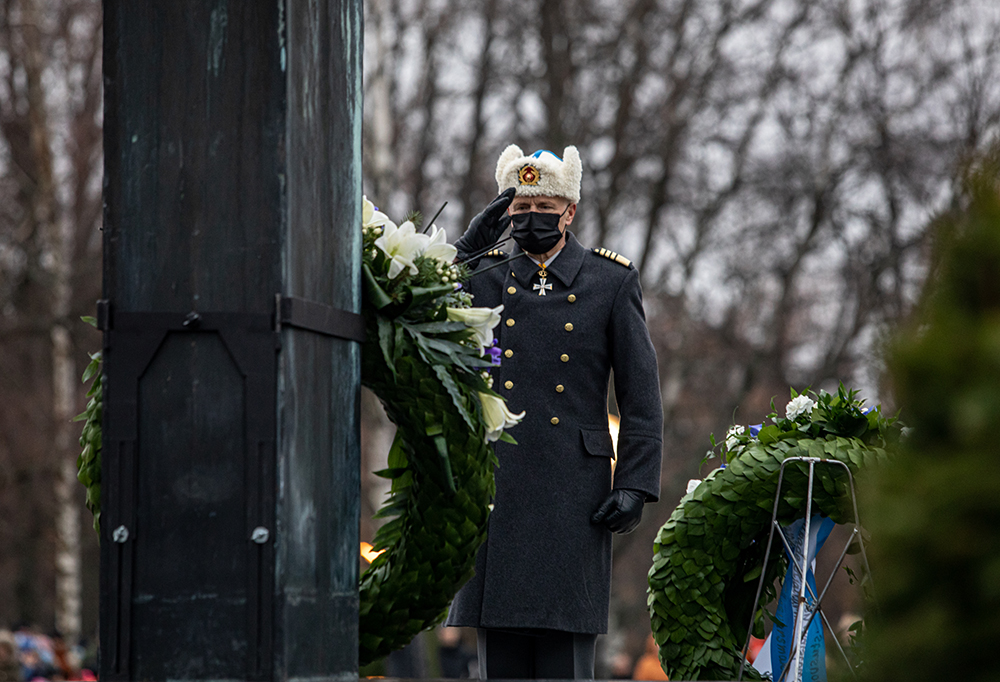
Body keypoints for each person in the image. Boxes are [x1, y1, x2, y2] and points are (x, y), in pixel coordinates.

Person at [446, 145, 664, 679]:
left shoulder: (609, 282)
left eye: (544, 207)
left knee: (564, 665)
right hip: (500, 486)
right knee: (499, 663)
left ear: (569, 211)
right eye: (519, 209)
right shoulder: (485, 274)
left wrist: (636, 482)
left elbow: (641, 393)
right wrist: (462, 255)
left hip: (573, 494)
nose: (530, 218)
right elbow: (422, 312)